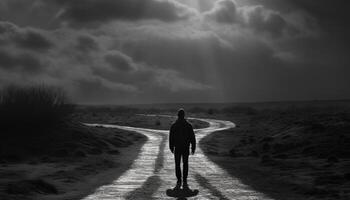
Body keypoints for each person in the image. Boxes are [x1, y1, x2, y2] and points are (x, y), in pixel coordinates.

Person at [169, 109, 196, 190]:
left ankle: (179, 180)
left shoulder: (174, 125)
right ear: (184, 115)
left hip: (177, 148)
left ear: (178, 115)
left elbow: (171, 138)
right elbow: (192, 138)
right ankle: (184, 180)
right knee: (185, 164)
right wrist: (193, 147)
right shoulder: (188, 125)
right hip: (185, 148)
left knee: (177, 164)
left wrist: (171, 146)